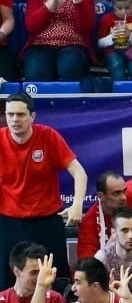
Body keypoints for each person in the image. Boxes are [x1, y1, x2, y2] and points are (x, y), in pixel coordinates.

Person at [0, 92, 86, 291]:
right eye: (10, 114)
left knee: (56, 280)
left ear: (33, 116)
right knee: (6, 282)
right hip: (8, 223)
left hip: (46, 221)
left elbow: (79, 172)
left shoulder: (48, 136)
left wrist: (77, 204)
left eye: (20, 115)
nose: (14, 120)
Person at [22, 0, 95, 80]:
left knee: (70, 67)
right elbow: (32, 26)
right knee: (37, 71)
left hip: (74, 45)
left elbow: (85, 27)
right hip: (39, 45)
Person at [77, 172, 132, 262]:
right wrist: (109, 247)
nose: (123, 197)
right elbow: (87, 266)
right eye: (116, 194)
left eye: (124, 191)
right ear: (101, 196)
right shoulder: (89, 223)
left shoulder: (131, 196)